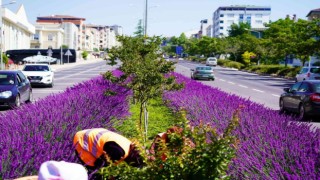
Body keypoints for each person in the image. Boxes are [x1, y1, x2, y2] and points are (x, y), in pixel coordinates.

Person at [73, 128, 144, 173]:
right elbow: (100, 164)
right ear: (133, 159)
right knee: (93, 171)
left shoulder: (129, 146)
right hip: (82, 140)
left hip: (93, 134)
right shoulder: (118, 152)